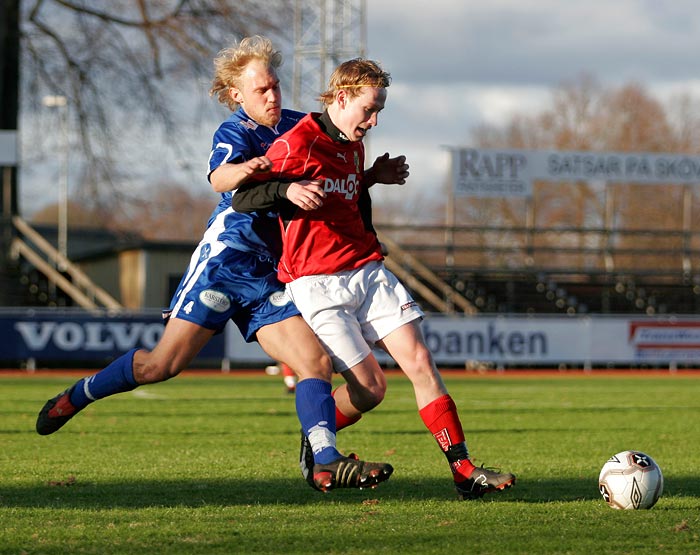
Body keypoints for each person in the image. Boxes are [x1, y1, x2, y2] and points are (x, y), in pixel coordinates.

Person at [34, 36, 392, 493]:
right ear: (237, 95)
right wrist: (254, 168)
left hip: (272, 273)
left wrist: (369, 177)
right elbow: (219, 179)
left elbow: (335, 171)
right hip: (225, 263)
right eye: (261, 90)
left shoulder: (302, 125)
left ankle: (324, 459)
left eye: (276, 86)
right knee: (162, 366)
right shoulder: (235, 132)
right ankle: (79, 394)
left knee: (314, 362)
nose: (273, 96)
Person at [232, 58, 516, 500]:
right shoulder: (296, 143)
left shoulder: (353, 144)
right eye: (369, 109)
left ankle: (464, 471)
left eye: (379, 110)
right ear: (341, 97)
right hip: (316, 283)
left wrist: (371, 189)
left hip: (366, 270)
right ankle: (318, 439)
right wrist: (286, 190)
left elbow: (347, 197)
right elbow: (243, 197)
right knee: (370, 390)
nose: (374, 119)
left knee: (420, 361)